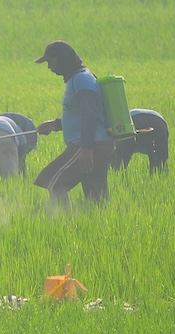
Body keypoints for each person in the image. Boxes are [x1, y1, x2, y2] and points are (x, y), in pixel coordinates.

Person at [32, 41, 116, 209]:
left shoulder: (82, 79)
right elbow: (81, 115)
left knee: (53, 180)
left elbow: (89, 115)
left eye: (50, 61)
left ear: (62, 59)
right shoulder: (79, 79)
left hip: (88, 144)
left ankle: (63, 223)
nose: (49, 66)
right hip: (97, 143)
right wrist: (55, 125)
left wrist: (86, 149)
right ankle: (95, 225)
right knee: (95, 195)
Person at [110, 109, 168, 174]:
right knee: (160, 163)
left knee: (118, 165)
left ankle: (117, 179)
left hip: (133, 120)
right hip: (159, 122)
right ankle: (158, 178)